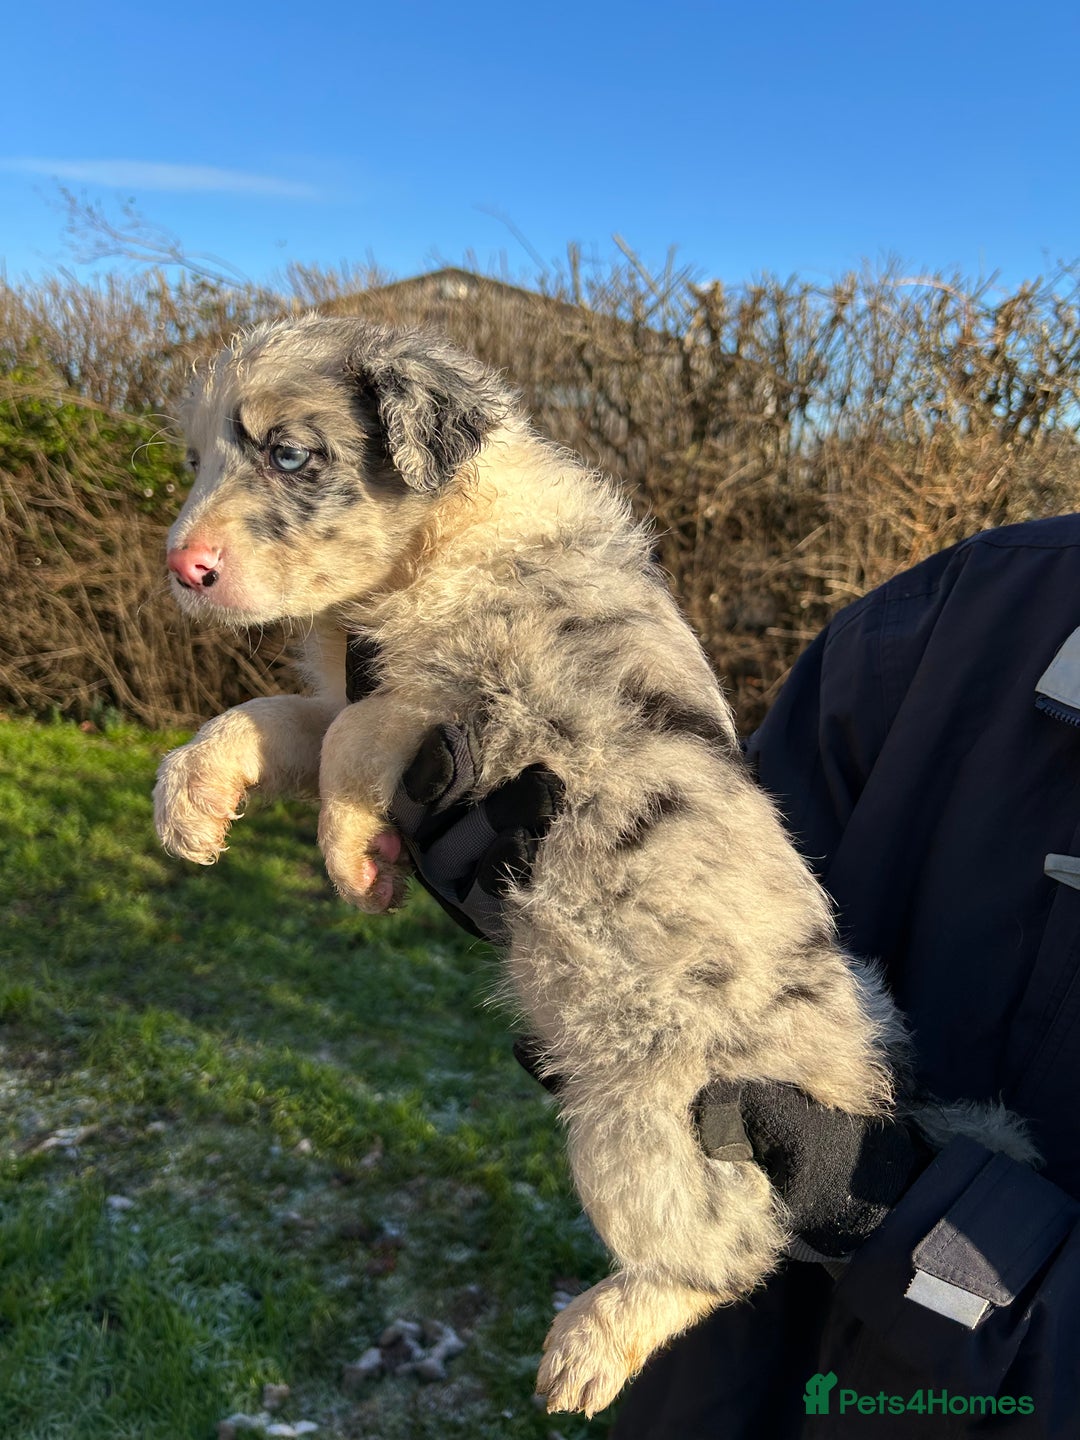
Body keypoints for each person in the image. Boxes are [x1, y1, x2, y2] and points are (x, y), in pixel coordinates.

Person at [390, 513, 1080, 1437]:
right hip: (723, 1389)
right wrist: (585, 904)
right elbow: (726, 853)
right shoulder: (957, 615)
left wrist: (898, 1211)